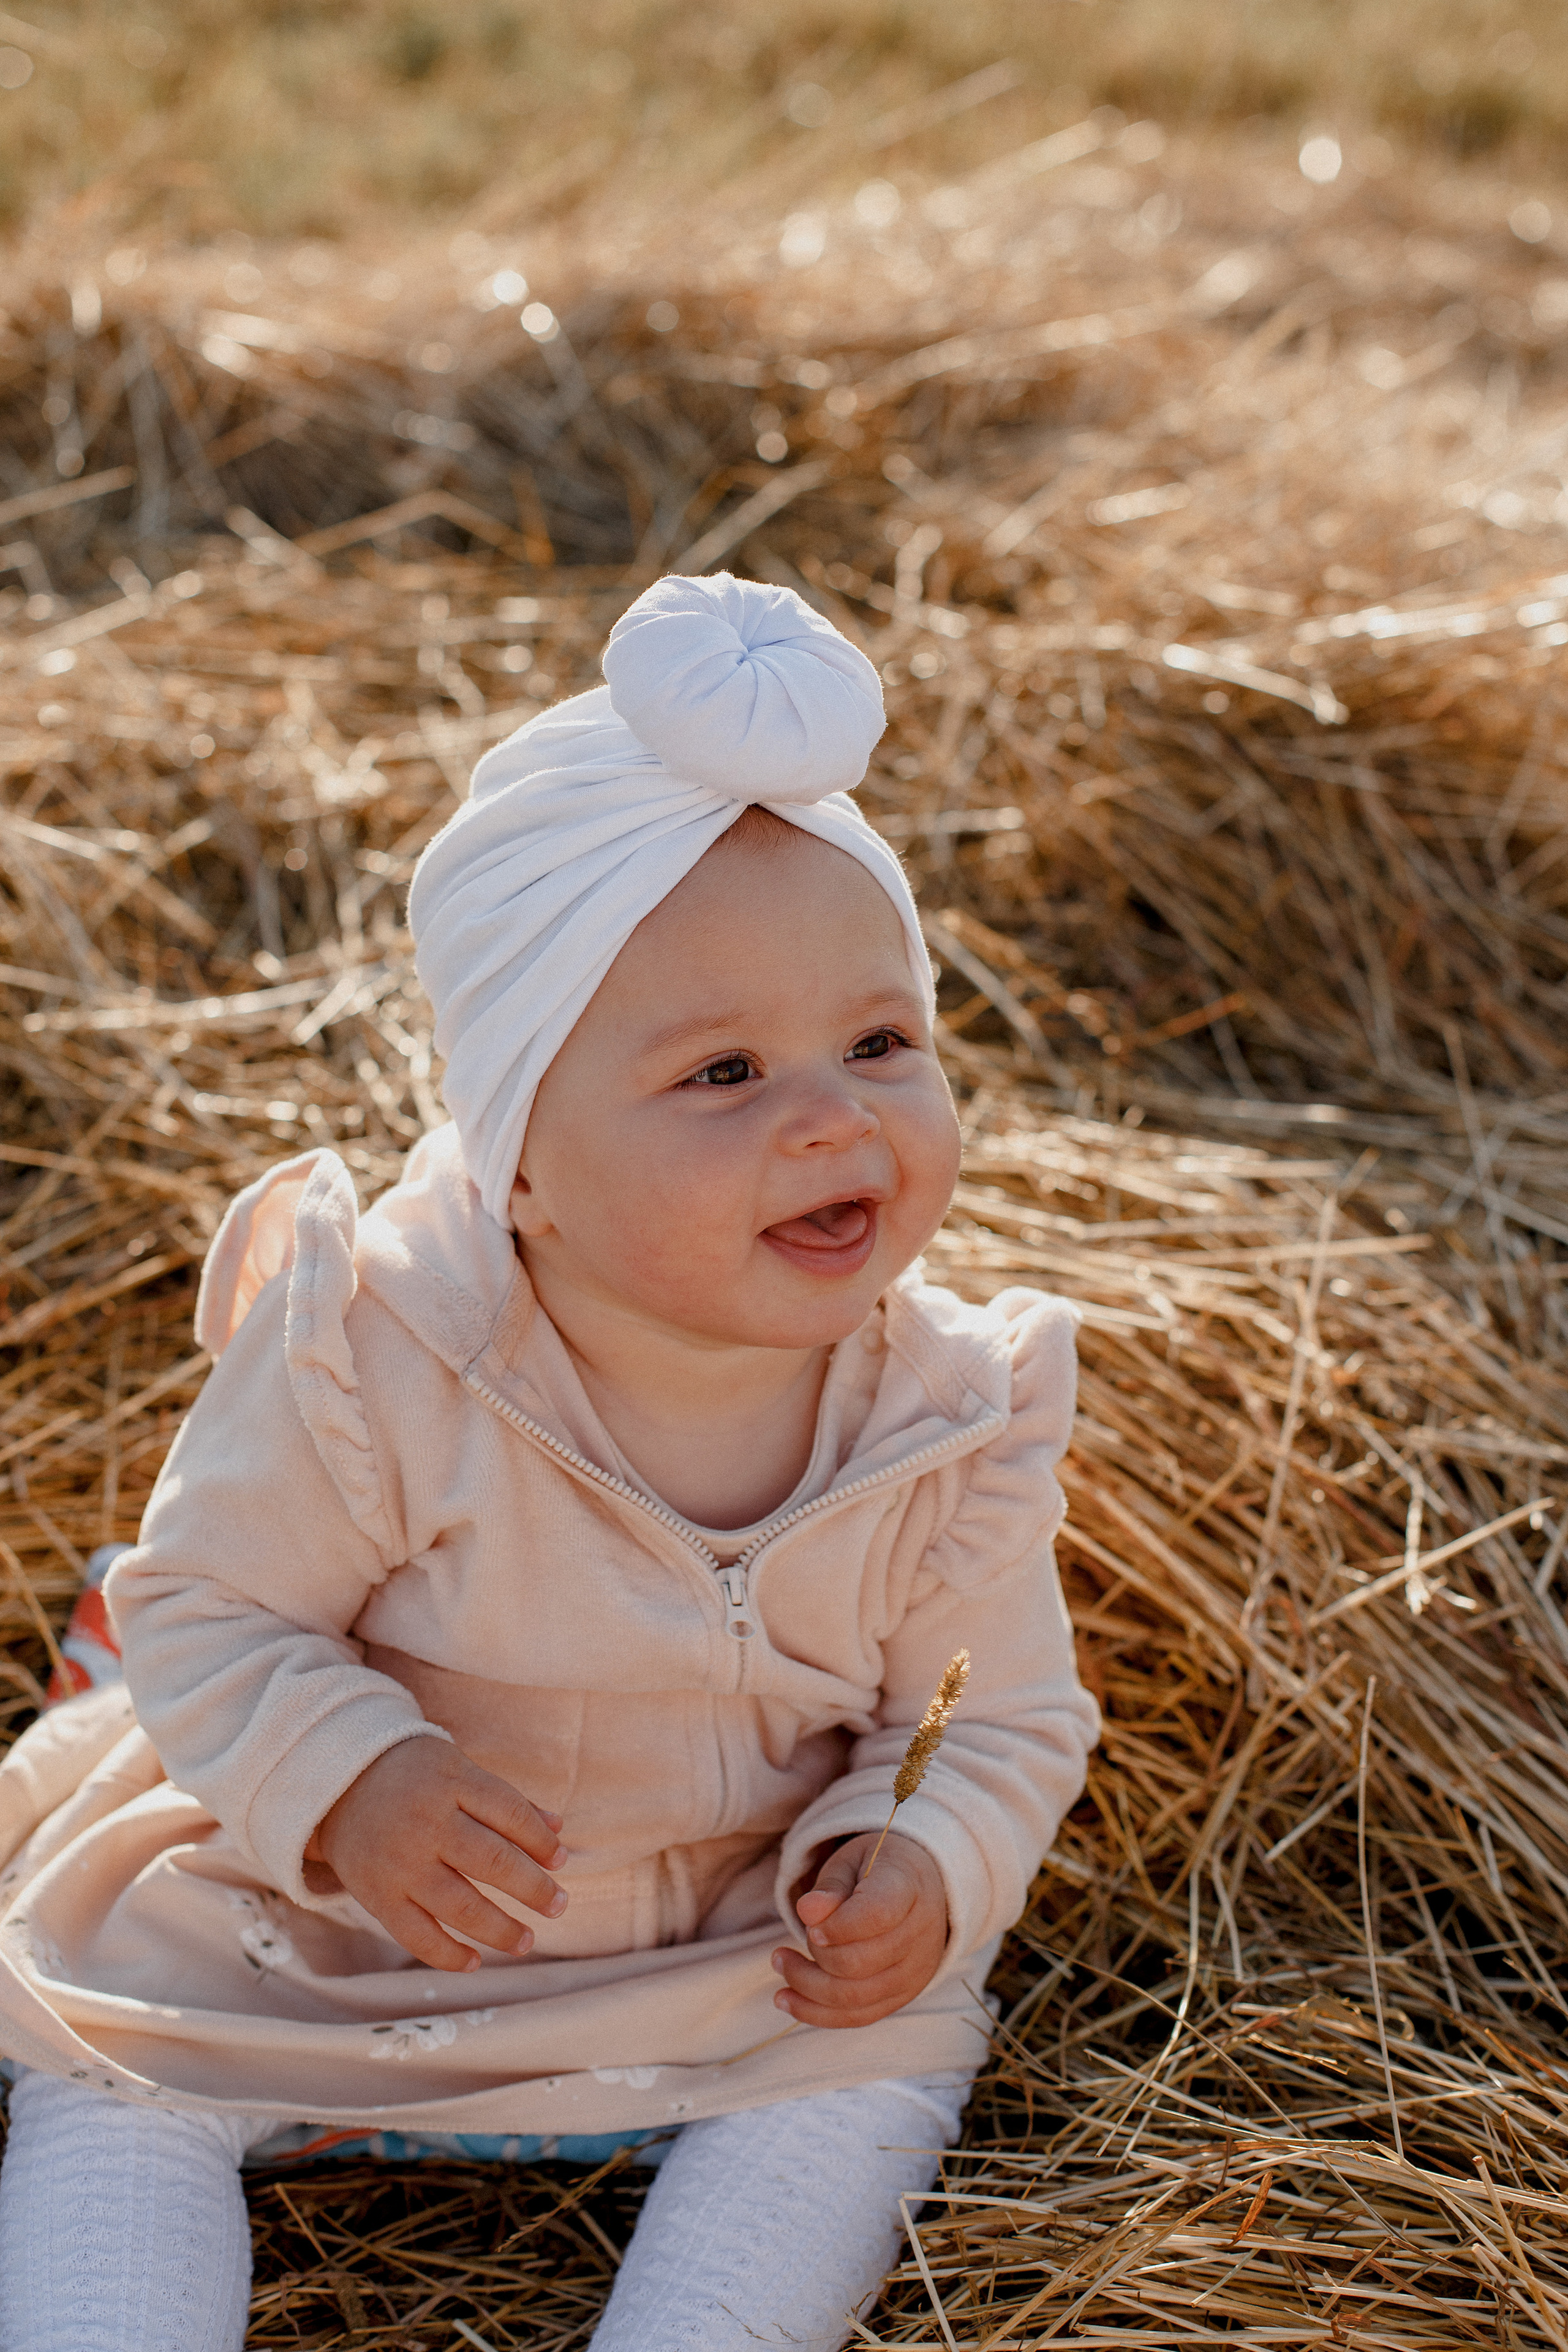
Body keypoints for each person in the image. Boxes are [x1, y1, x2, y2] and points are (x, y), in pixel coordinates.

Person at [0, 573, 1099, 2351]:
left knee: (880, 2058)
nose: (831, 1113)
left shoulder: (947, 1418)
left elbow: (991, 1716)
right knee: (114, 2061)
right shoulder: (384, 1360)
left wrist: (920, 1857)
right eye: (724, 1071)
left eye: (880, 1043)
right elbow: (197, 1605)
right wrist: (351, 1776)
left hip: (731, 1942)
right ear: (524, 1169)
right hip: (344, 1926)